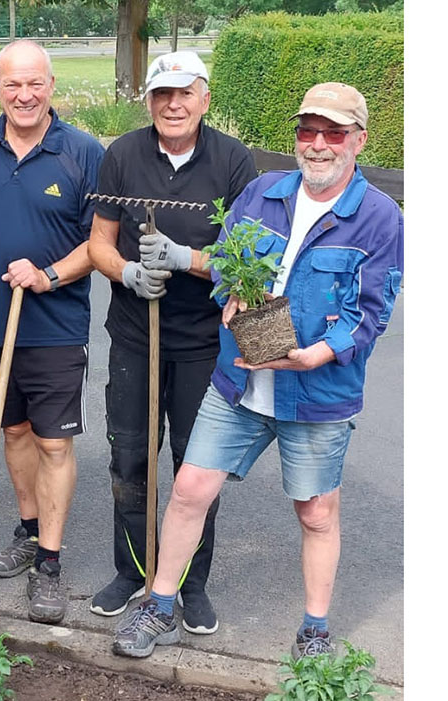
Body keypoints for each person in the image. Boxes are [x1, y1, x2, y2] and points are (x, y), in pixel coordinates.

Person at [110, 82, 403, 659]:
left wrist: (318, 352)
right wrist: (229, 294)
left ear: (358, 141)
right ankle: (160, 606)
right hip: (240, 378)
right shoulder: (266, 192)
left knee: (316, 512)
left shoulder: (379, 218)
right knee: (191, 489)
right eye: (308, 131)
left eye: (333, 133)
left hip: (317, 391)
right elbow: (226, 261)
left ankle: (314, 629)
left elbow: (370, 314)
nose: (317, 144)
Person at [86, 51, 257, 633]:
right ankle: (131, 572)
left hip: (205, 345)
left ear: (204, 100)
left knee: (195, 469)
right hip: (136, 337)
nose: (173, 104)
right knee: (129, 459)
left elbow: (246, 260)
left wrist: (188, 260)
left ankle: (190, 584)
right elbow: (100, 244)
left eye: (184, 93)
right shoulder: (123, 155)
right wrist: (127, 272)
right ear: (150, 101)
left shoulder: (234, 162)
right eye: (162, 94)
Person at [0, 40, 105, 623]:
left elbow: (102, 244)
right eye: (13, 84)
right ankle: (28, 530)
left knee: (54, 443)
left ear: (52, 85)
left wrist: (49, 274)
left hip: (57, 327)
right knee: (12, 435)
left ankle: (50, 566)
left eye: (35, 83)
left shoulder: (83, 152)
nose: (25, 94)